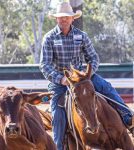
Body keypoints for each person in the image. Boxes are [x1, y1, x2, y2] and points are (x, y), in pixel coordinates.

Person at [40, 2, 134, 150]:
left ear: (72, 19)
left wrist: (88, 74)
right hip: (60, 81)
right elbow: (45, 65)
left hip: (83, 78)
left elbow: (93, 58)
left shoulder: (81, 36)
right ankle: (59, 146)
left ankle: (128, 118)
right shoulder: (49, 38)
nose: (63, 20)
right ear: (56, 19)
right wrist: (61, 79)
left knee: (106, 88)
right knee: (57, 114)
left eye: (66, 17)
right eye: (60, 17)